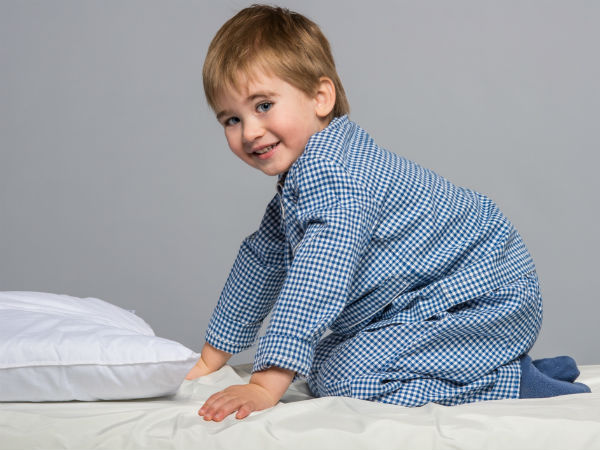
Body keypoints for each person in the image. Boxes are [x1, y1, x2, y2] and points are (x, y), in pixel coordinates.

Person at [186, 4, 590, 422]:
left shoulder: (336, 175)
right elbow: (261, 261)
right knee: (324, 362)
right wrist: (209, 360)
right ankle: (501, 368)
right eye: (231, 119)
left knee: (346, 379)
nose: (250, 132)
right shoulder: (304, 177)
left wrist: (264, 384)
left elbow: (317, 276)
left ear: (320, 97)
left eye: (264, 105)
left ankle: (515, 381)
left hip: (484, 299)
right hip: (432, 303)